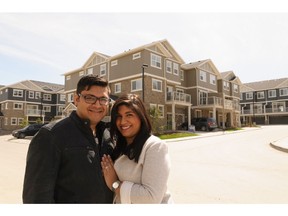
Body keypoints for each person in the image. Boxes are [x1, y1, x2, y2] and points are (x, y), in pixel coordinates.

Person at [22, 75, 114, 203]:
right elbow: (37, 197)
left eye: (103, 99)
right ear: (76, 99)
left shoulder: (107, 136)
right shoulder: (51, 135)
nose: (97, 104)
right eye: (90, 98)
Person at [101, 94, 173, 204]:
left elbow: (151, 198)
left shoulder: (154, 146)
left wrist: (114, 184)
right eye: (119, 116)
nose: (123, 121)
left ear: (140, 117)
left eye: (129, 115)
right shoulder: (120, 147)